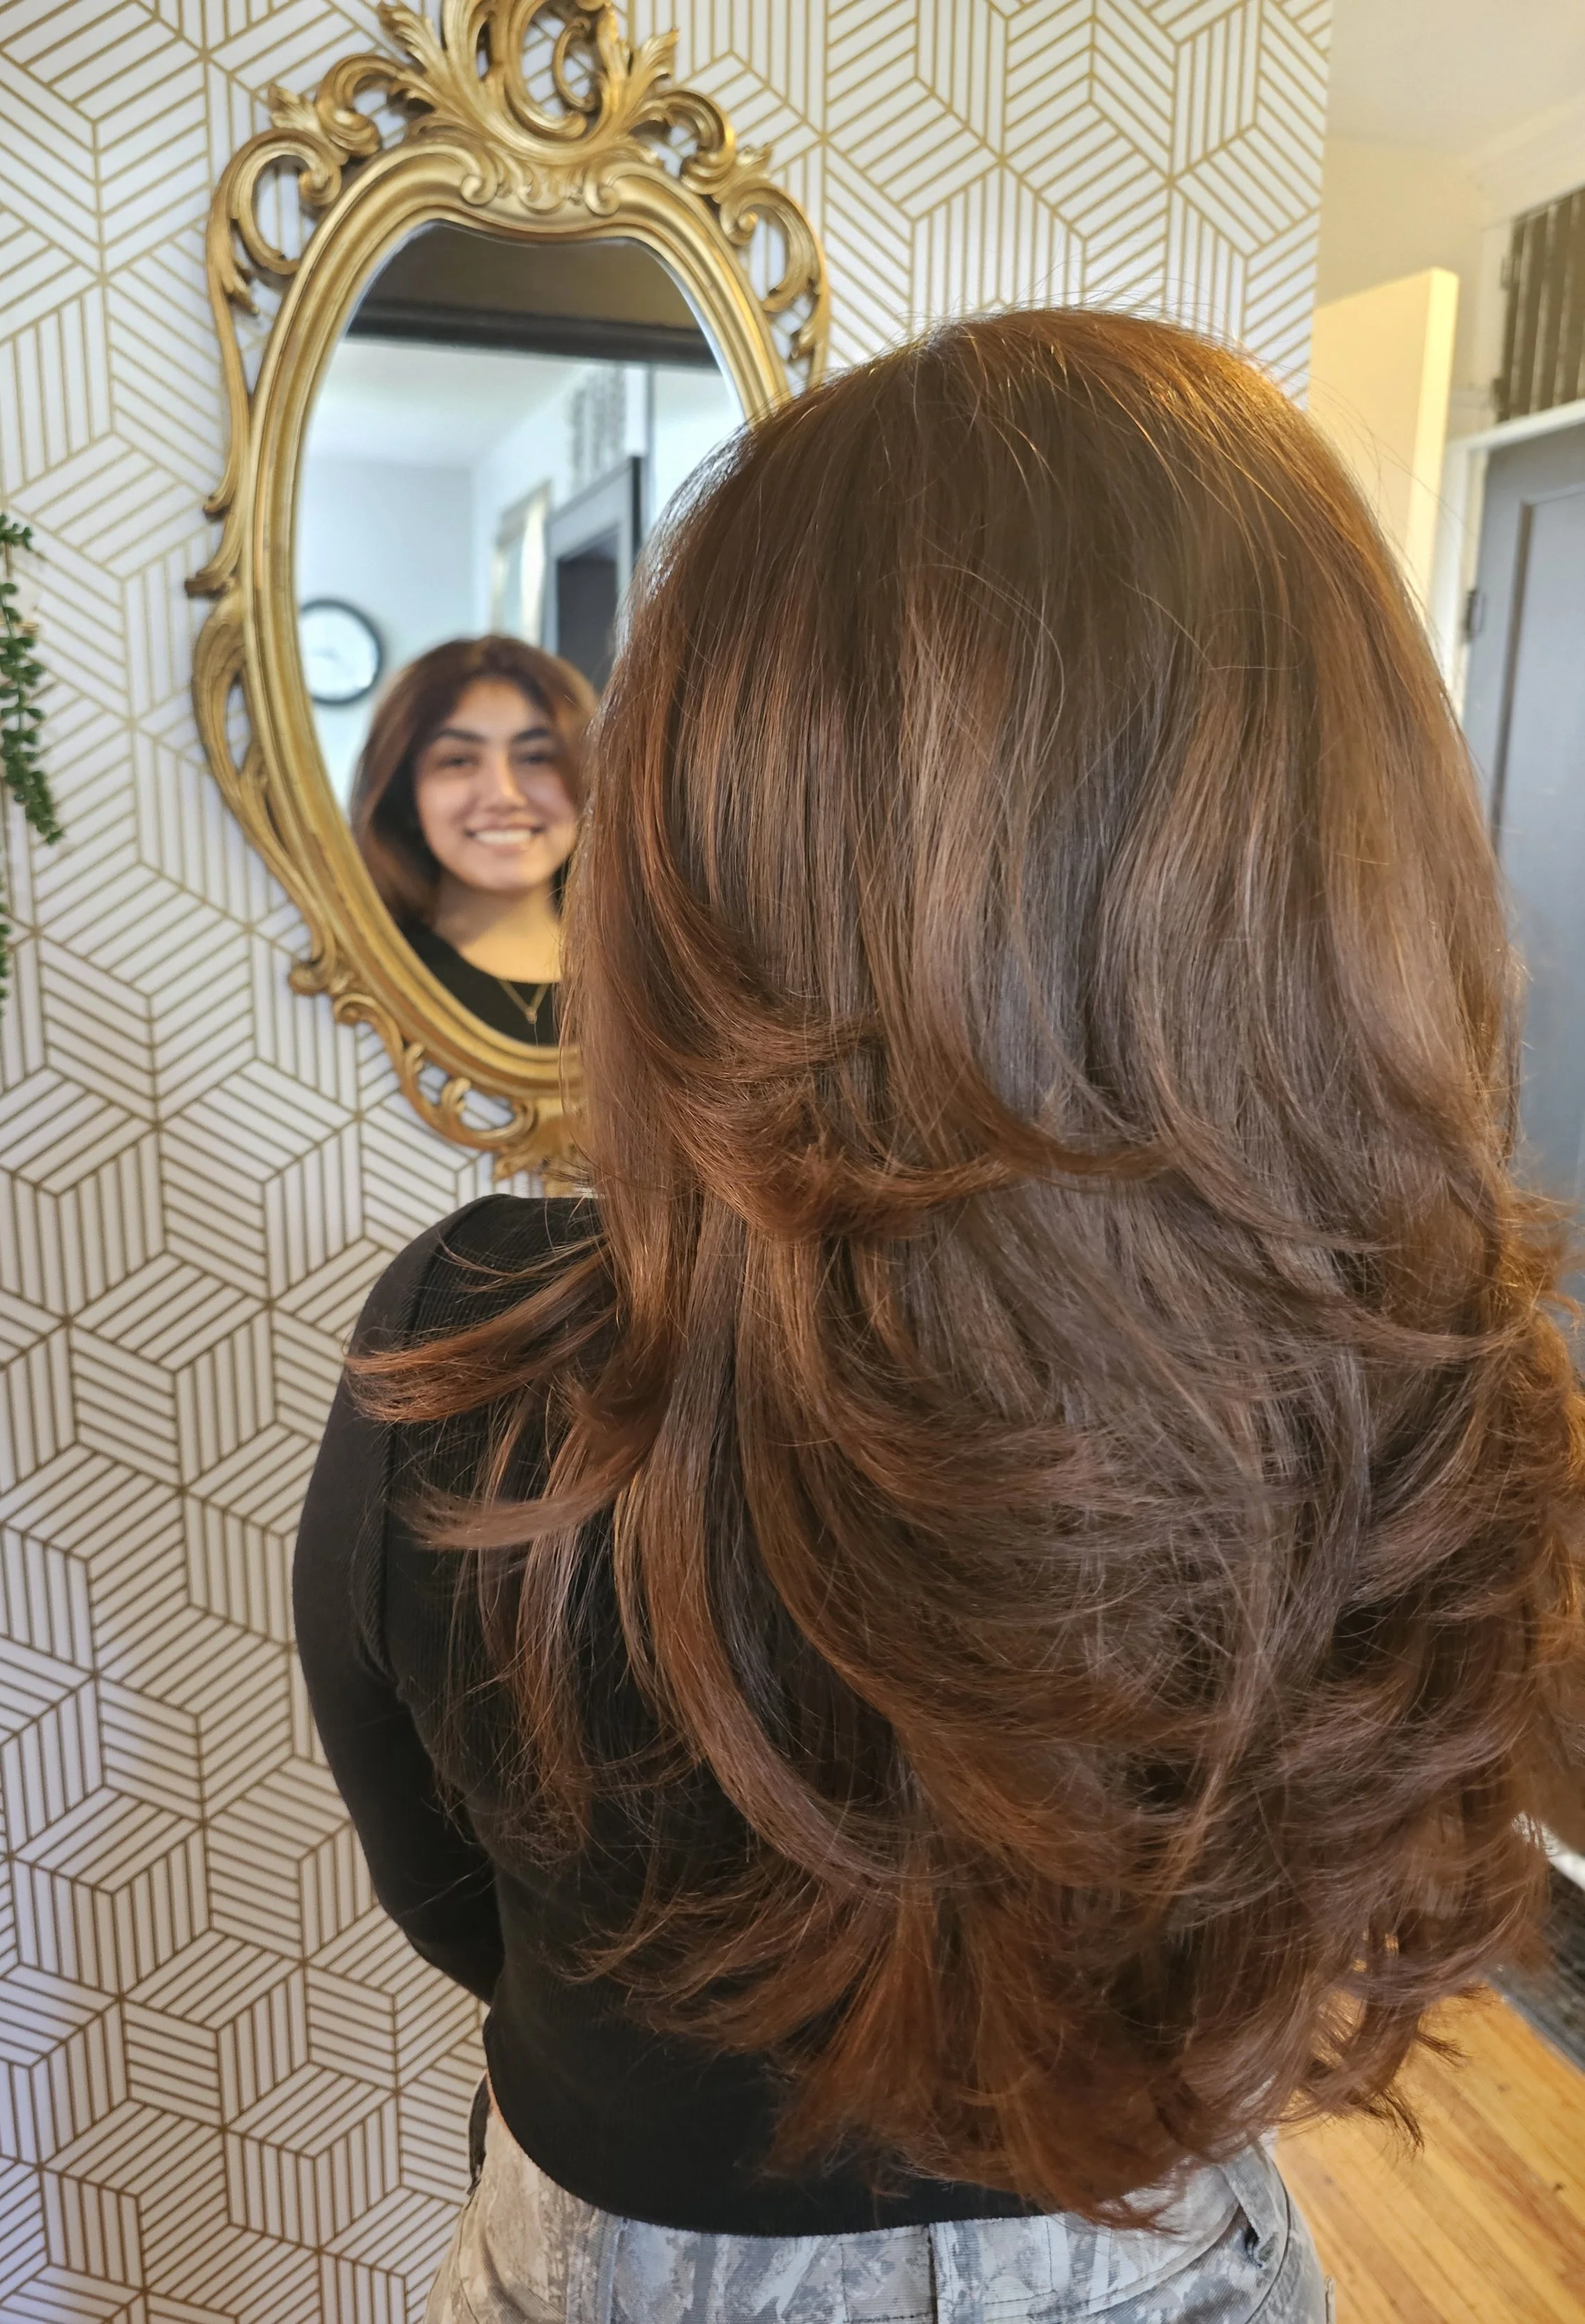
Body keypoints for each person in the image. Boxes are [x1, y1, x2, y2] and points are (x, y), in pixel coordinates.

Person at [295, 311, 1585, 2324]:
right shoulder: (1394, 1391)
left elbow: (450, 1885)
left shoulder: (475, 1356)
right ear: (1342, 880)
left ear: (689, 836)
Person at [349, 635, 595, 1045]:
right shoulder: (362, 986)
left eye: (536, 757)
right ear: (405, 797)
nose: (504, 795)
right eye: (458, 760)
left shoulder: (653, 981)